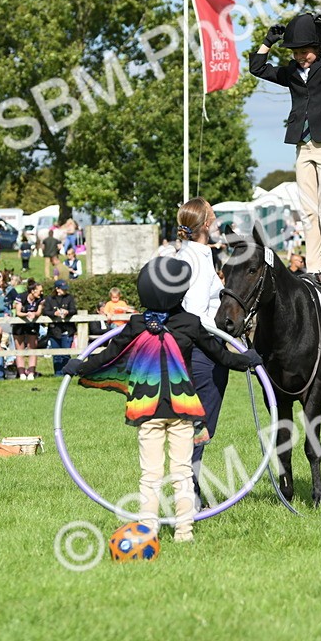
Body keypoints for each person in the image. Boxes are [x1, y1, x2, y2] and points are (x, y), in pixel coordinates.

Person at [62, 257, 261, 542]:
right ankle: (184, 532)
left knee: (150, 475)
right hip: (183, 410)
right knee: (181, 473)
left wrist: (79, 366)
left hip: (148, 410)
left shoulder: (136, 324)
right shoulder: (190, 323)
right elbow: (222, 356)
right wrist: (248, 360)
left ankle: (147, 529)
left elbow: (107, 355)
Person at [250, 11, 321, 282]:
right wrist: (268, 41)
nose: (300, 56)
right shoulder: (290, 72)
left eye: (305, 51)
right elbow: (257, 67)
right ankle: (313, 267)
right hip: (303, 145)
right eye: (296, 52)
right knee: (308, 209)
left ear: (318, 47)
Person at [173, 197, 229, 497]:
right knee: (201, 425)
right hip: (203, 351)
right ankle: (188, 495)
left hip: (207, 347)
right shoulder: (194, 259)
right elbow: (195, 314)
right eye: (213, 212)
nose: (217, 217)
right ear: (205, 223)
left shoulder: (200, 254)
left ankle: (189, 490)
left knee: (201, 425)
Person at [44, 279, 78, 376]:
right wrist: (54, 313)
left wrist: (67, 312)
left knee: (66, 354)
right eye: (62, 289)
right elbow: (46, 311)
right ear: (57, 289)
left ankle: (67, 373)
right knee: (56, 354)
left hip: (67, 329)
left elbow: (73, 310)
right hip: (54, 330)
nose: (65, 291)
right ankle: (58, 374)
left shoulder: (69, 298)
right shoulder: (50, 299)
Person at [13, 279, 44, 380]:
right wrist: (27, 314)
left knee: (32, 348)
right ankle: (21, 373)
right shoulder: (21, 296)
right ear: (33, 291)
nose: (42, 293)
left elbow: (39, 311)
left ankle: (31, 373)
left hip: (32, 324)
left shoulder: (40, 299)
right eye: (40, 291)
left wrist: (34, 314)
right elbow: (18, 312)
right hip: (19, 324)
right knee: (19, 349)